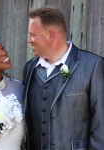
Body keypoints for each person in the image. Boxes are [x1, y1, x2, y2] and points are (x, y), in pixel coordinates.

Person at [23, 6, 104, 150]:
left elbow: (101, 124)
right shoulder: (30, 68)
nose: (29, 40)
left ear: (50, 35)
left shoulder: (93, 65)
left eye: (33, 35)